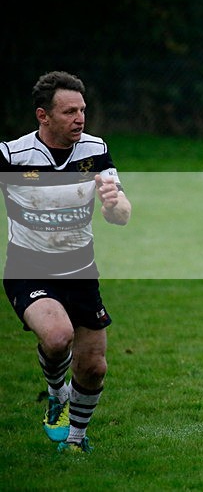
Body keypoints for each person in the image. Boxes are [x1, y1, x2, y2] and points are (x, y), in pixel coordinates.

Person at [1, 71, 131, 453]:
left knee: (94, 367)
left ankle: (75, 442)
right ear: (43, 116)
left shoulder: (94, 149)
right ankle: (57, 392)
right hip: (28, 269)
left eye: (83, 110)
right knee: (58, 337)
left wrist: (113, 203)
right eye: (70, 111)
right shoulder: (13, 155)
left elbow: (121, 213)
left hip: (80, 271)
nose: (80, 118)